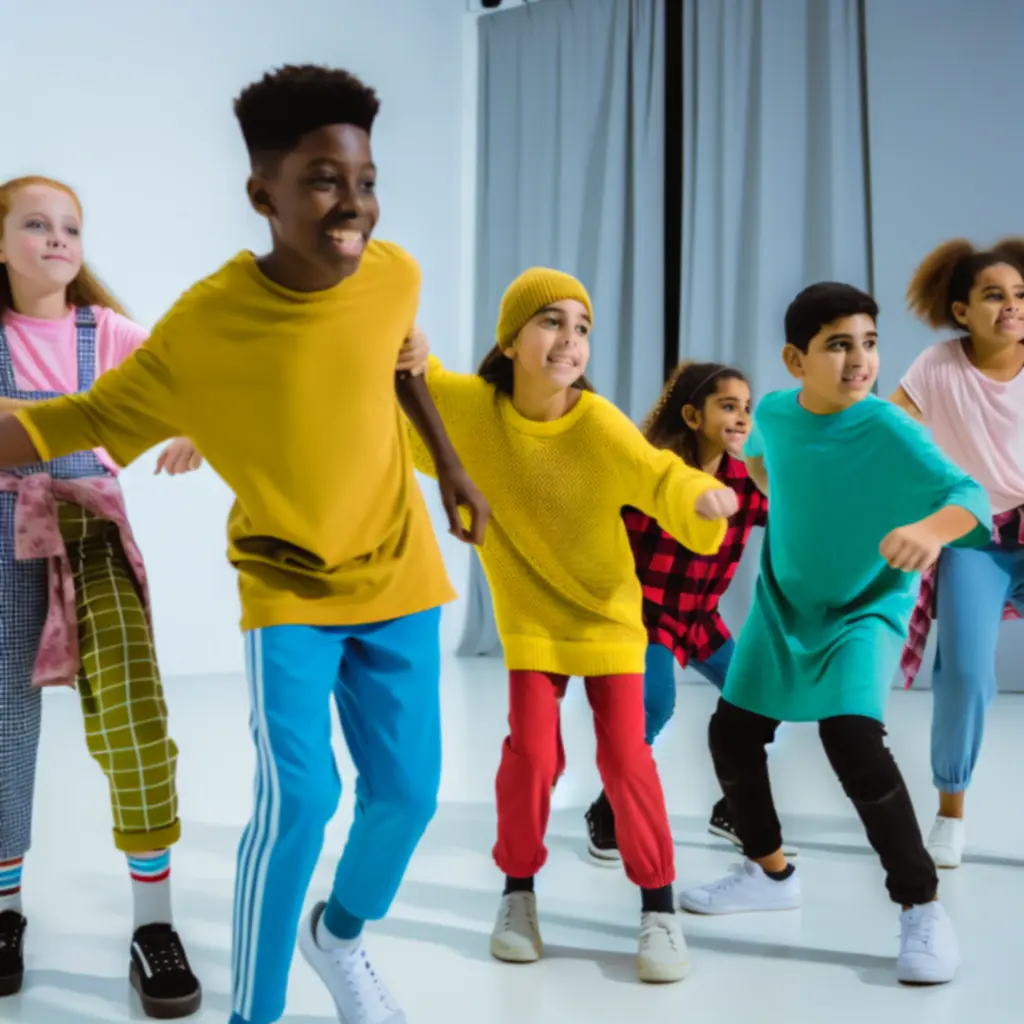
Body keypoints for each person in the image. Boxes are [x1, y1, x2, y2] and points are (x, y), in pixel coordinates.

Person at [0, 65, 489, 1024]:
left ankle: (337, 935)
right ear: (262, 194)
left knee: (409, 798)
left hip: (399, 577)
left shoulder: (395, 274)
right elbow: (70, 421)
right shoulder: (201, 327)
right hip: (289, 592)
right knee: (300, 805)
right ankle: (252, 1016)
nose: (353, 207)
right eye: (322, 181)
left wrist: (453, 466)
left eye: (365, 181)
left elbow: (401, 366)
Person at [407, 268, 738, 984]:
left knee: (624, 757)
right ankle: (518, 894)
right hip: (530, 617)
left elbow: (658, 475)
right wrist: (409, 347)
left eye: (582, 328)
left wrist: (701, 496)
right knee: (531, 755)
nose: (570, 340)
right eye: (552, 322)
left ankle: (658, 906)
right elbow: (411, 400)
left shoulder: (598, 425)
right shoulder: (471, 409)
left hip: (609, 619)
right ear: (512, 338)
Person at [677, 282, 991, 986]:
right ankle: (770, 873)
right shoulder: (780, 414)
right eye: (839, 345)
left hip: (864, 608)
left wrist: (927, 531)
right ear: (796, 358)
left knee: (851, 741)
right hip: (784, 605)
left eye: (870, 343)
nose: (860, 360)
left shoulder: (889, 429)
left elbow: (967, 499)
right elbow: (762, 459)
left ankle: (920, 906)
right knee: (731, 735)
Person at [0, 174, 204, 1016]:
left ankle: (152, 923)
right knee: (6, 722)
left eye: (71, 227)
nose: (58, 238)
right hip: (6, 535)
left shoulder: (106, 331)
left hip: (92, 534)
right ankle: (5, 909)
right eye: (37, 224)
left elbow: (185, 381)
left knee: (132, 716)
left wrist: (191, 424)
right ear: (1, 241)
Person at [584, 361, 798, 862]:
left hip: (700, 619)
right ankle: (608, 808)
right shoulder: (656, 470)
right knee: (654, 705)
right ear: (692, 415)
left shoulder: (746, 479)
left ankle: (735, 805)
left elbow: (792, 516)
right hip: (648, 615)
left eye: (747, 408)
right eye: (728, 405)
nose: (742, 417)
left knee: (765, 697)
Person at [892, 239, 1024, 868]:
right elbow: (887, 428)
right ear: (961, 309)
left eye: (1021, 295)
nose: (1011, 308)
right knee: (965, 675)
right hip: (975, 535)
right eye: (994, 296)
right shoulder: (938, 366)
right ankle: (951, 814)